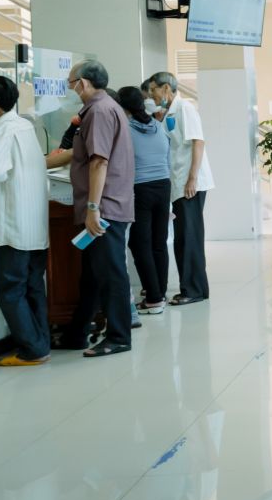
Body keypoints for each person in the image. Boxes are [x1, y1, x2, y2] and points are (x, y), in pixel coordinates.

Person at [46, 60, 135, 358]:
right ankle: (78, 332)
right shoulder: (103, 108)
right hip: (105, 203)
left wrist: (93, 208)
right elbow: (84, 154)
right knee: (93, 275)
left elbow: (99, 161)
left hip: (104, 206)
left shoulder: (98, 111)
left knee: (110, 273)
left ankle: (119, 336)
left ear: (82, 83)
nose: (71, 88)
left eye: (71, 83)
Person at [0, 76, 51, 366]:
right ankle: (41, 344)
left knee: (10, 289)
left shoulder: (6, 130)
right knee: (33, 287)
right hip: (35, 225)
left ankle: (32, 349)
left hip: (15, 226)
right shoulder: (25, 126)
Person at [147, 72, 212, 306]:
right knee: (184, 237)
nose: (152, 95)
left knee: (189, 237)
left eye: (154, 90)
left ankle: (193, 290)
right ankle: (195, 288)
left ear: (166, 88)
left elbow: (198, 142)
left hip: (189, 184)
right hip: (180, 183)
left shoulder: (185, 108)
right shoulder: (170, 112)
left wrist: (192, 179)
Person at [116, 86, 172, 316]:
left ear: (122, 107)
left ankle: (154, 298)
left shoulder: (125, 129)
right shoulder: (157, 126)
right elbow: (167, 156)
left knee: (140, 244)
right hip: (164, 185)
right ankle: (159, 292)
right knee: (159, 242)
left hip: (141, 188)